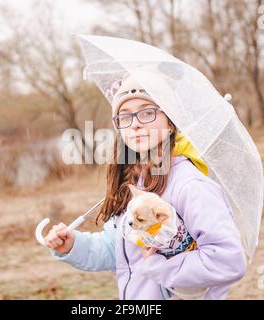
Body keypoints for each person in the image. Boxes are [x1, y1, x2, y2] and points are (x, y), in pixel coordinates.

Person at [44, 67, 247, 300]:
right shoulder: (135, 181)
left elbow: (227, 260)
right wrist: (73, 245)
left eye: (147, 112)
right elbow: (121, 249)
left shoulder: (190, 185)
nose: (135, 124)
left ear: (171, 122)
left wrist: (158, 267)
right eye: (125, 116)